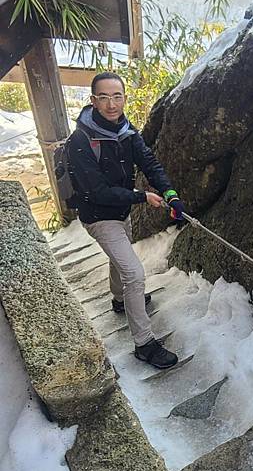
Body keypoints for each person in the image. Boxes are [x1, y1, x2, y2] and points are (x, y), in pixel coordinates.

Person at [67, 71, 185, 369]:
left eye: (117, 96)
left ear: (124, 98)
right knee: (134, 272)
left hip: (121, 213)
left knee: (119, 258)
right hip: (98, 216)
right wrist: (142, 197)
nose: (111, 104)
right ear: (92, 101)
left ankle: (120, 300)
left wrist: (169, 192)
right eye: (104, 97)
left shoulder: (125, 130)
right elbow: (97, 191)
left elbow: (149, 161)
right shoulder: (80, 141)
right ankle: (144, 344)